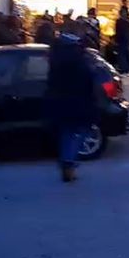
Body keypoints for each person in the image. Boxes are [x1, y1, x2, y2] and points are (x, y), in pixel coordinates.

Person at [46, 24, 97, 183]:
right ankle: (69, 161)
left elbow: (51, 81)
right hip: (79, 101)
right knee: (82, 130)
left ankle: (67, 161)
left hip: (60, 101)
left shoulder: (56, 59)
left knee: (66, 132)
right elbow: (88, 80)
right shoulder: (80, 59)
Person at [115, 9, 129, 74]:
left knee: (123, 54)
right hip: (126, 39)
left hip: (123, 39)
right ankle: (126, 68)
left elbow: (117, 31)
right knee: (126, 53)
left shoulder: (120, 21)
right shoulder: (128, 21)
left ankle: (124, 68)